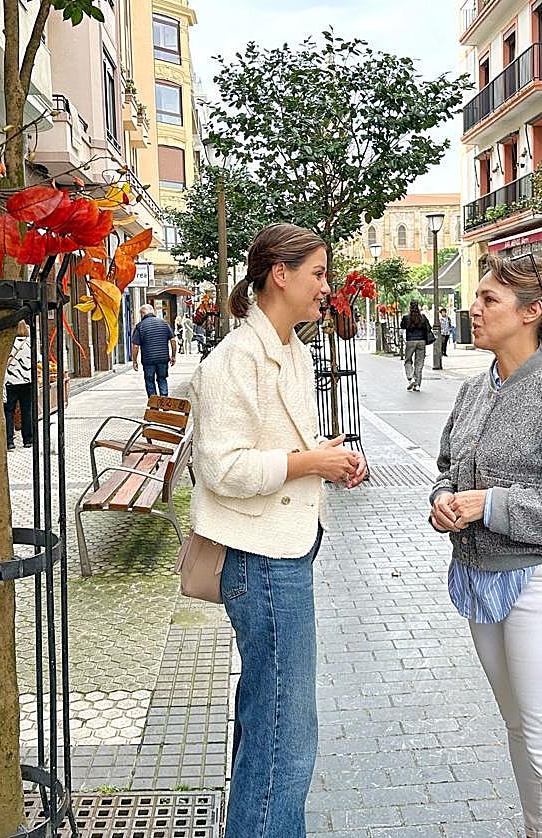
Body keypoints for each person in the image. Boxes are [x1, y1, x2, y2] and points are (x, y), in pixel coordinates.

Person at [189, 223, 367, 838]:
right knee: (287, 733)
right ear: (279, 275)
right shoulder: (235, 359)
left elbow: (279, 445)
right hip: (262, 562)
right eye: (318, 273)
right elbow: (222, 467)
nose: (327, 286)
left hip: (284, 549)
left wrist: (327, 456)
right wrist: (308, 463)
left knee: (268, 719)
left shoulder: (289, 348)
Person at [429, 252, 542, 838]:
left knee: (538, 728)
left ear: (532, 312)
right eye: (476, 298)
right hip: (477, 575)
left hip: (534, 580)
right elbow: (448, 466)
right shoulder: (473, 391)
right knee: (517, 725)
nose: (472, 310)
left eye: (489, 300)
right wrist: (444, 502)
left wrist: (490, 505)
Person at [131, 303, 176, 396]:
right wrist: (173, 356)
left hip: (148, 360)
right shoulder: (164, 323)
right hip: (163, 359)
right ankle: (164, 400)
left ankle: (154, 404)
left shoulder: (140, 326)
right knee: (162, 379)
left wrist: (134, 361)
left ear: (142, 314)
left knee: (149, 381)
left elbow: (135, 346)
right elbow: (173, 340)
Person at [4, 320, 33, 450]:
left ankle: (9, 441)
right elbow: (36, 359)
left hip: (10, 382)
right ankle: (28, 440)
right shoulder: (30, 342)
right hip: (26, 382)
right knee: (26, 411)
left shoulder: (7, 343)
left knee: (9, 412)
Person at [399, 300, 431, 391]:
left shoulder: (406, 318)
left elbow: (402, 326)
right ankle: (417, 385)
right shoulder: (423, 317)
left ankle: (411, 378)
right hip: (421, 341)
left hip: (410, 341)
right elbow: (428, 328)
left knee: (408, 361)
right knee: (419, 363)